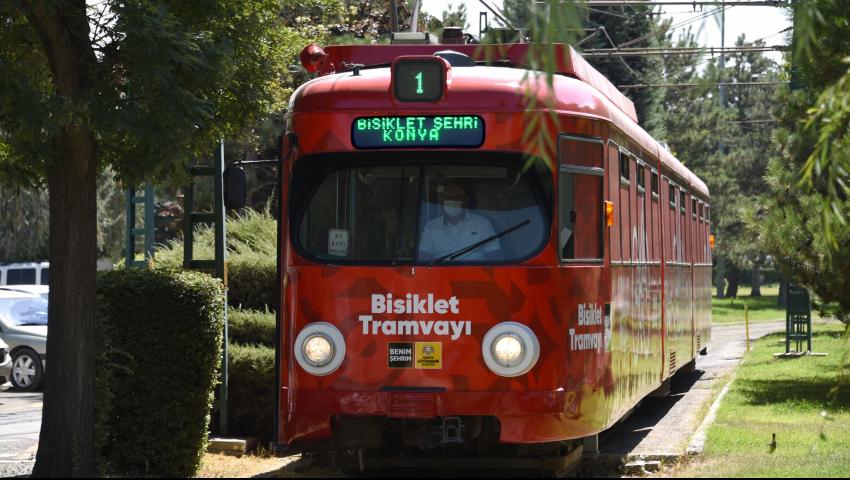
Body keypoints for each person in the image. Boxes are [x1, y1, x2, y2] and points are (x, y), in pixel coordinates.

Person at [418, 181, 503, 262]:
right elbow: (423, 258)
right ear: (442, 199)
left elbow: (495, 256)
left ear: (465, 200)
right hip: (440, 274)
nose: (452, 201)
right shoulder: (431, 226)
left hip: (475, 274)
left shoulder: (482, 224)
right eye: (448, 197)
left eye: (457, 197)